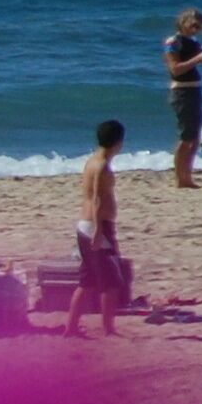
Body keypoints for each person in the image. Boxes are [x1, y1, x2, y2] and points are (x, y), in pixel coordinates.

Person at [65, 119, 128, 339]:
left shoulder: (91, 161)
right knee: (111, 283)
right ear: (118, 143)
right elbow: (98, 199)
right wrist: (100, 231)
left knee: (88, 280)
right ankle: (108, 329)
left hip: (85, 224)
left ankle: (71, 327)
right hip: (97, 226)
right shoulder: (102, 165)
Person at [162, 8, 202, 189]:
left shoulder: (193, 42)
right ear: (183, 23)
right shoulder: (173, 42)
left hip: (194, 91)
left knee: (194, 137)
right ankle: (180, 178)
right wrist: (197, 59)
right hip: (182, 92)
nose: (195, 30)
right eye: (193, 25)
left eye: (199, 27)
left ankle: (187, 176)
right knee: (186, 137)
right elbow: (175, 69)